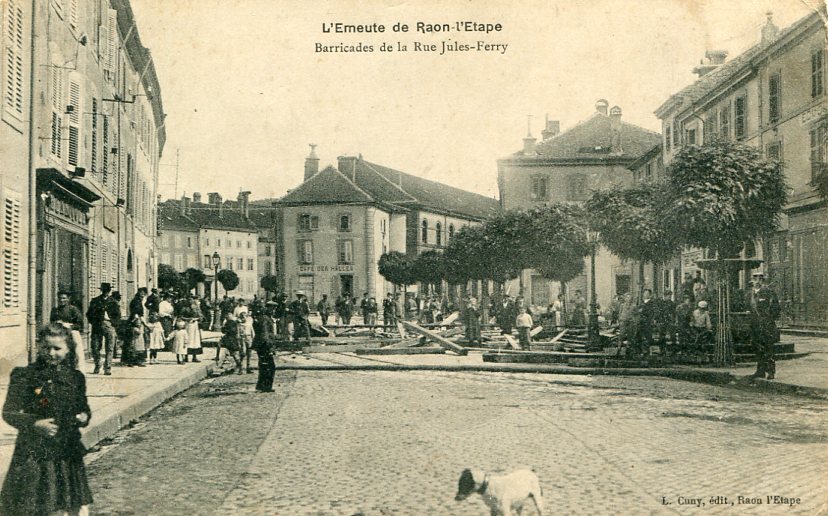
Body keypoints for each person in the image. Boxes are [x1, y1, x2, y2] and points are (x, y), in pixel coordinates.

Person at [0, 324, 93, 515]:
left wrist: (84, 417)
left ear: (68, 349)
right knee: (36, 504)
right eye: (46, 347)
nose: (51, 353)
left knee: (69, 505)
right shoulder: (24, 376)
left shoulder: (76, 378)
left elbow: (83, 408)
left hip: (67, 452)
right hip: (34, 453)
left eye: (57, 348)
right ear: (39, 346)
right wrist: (34, 423)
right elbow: (9, 412)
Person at [750, 273, 781, 380]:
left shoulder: (769, 293)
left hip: (767, 325)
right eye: (755, 279)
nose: (757, 281)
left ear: (763, 281)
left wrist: (769, 319)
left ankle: (771, 371)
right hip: (755, 326)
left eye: (760, 279)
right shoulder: (750, 294)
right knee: (758, 348)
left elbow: (776, 308)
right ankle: (760, 371)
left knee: (769, 348)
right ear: (752, 281)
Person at [86, 282, 120, 375]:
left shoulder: (114, 302)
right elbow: (89, 314)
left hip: (109, 325)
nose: (106, 292)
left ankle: (107, 367)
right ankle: (98, 364)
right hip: (97, 325)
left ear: (109, 291)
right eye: (104, 290)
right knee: (95, 347)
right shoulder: (95, 301)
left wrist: (113, 324)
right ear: (102, 291)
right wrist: (93, 321)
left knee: (110, 347)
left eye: (108, 290)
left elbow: (118, 315)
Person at [50, 291, 86, 372]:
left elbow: (80, 324)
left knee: (77, 352)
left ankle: (79, 371)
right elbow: (51, 323)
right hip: (59, 334)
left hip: (72, 333)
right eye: (60, 298)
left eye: (64, 298)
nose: (61, 300)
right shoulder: (55, 310)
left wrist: (69, 326)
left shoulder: (73, 309)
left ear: (68, 299)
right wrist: (56, 324)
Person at [252, 306, 276, 392]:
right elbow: (265, 334)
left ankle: (261, 386)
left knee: (262, 365)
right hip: (265, 345)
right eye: (273, 309)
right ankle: (267, 387)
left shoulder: (259, 318)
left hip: (259, 344)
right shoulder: (266, 319)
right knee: (270, 366)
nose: (274, 311)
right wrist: (270, 348)